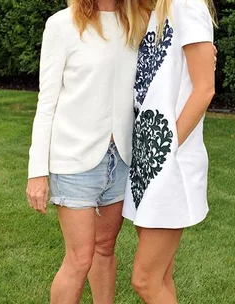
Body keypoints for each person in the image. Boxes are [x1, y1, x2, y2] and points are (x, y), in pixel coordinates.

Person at [25, 0, 150, 303]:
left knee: (105, 247)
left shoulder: (136, 21)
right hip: (74, 161)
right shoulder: (62, 25)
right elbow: (47, 103)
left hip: (120, 159)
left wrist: (205, 56)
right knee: (79, 259)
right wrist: (37, 172)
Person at [122, 0, 217, 303]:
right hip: (146, 163)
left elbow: (204, 89)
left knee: (145, 280)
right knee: (161, 275)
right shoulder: (150, 13)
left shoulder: (187, 5)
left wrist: (168, 145)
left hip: (168, 163)